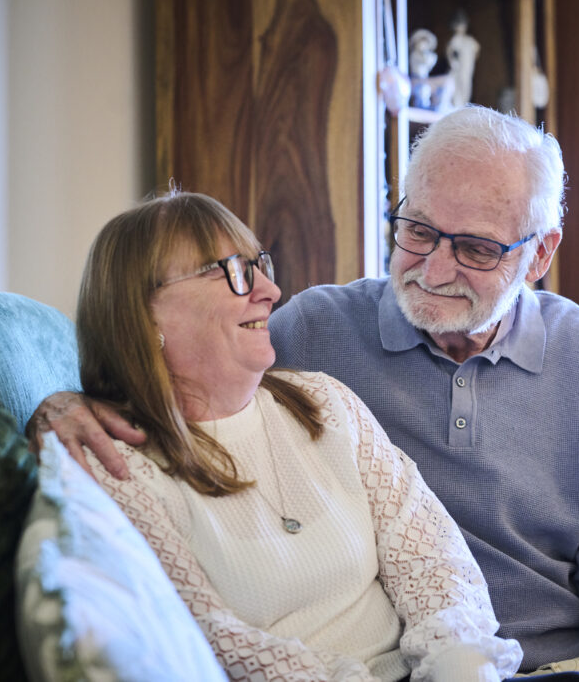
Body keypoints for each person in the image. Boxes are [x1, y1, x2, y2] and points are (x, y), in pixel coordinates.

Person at [30, 107, 579, 682]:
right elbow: (171, 358)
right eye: (418, 230)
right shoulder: (312, 334)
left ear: (539, 253)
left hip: (552, 663)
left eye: (477, 249)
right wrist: (63, 403)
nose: (432, 268)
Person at [68, 191, 534, 682]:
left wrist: (458, 667)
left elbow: (432, 560)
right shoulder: (118, 468)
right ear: (143, 314)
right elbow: (212, 638)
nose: (269, 289)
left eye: (258, 264)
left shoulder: (325, 403)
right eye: (231, 270)